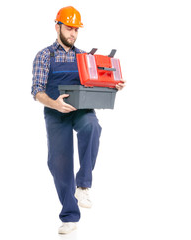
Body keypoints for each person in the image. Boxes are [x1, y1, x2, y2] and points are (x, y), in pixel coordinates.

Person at [31, 6, 126, 234]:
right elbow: (36, 91)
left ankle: (83, 185)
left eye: (76, 29)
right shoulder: (45, 56)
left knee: (92, 125)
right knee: (59, 163)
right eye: (68, 28)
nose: (72, 33)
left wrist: (114, 85)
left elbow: (95, 83)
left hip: (80, 109)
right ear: (58, 27)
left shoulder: (85, 57)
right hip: (55, 112)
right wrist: (55, 103)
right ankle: (70, 216)